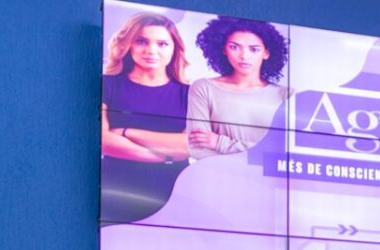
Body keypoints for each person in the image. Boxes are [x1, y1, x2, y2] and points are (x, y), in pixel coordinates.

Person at [100, 12, 191, 224]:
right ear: (128, 44)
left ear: (174, 48)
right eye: (141, 41)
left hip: (174, 190)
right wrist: (164, 157)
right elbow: (103, 140)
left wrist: (125, 132)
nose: (151, 51)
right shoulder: (107, 84)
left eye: (162, 43)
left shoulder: (190, 94)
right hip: (116, 189)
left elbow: (187, 145)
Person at [187, 16, 290, 159]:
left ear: (266, 53)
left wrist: (219, 143)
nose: (244, 56)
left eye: (254, 49)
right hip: (219, 178)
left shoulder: (286, 95)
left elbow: (285, 153)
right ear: (223, 49)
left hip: (269, 181)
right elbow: (198, 150)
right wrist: (258, 153)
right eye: (234, 47)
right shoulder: (203, 88)